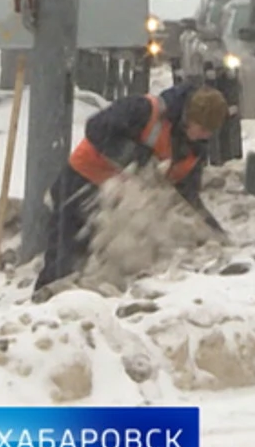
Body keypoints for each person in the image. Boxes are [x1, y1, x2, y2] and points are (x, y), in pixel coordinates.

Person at [35, 82, 230, 294]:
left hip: (119, 206)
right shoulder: (145, 110)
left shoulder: (193, 150)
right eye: (202, 129)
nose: (205, 136)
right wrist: (135, 158)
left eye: (210, 132)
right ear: (188, 118)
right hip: (81, 183)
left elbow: (187, 194)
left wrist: (212, 229)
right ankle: (46, 305)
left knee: (100, 269)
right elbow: (96, 128)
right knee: (64, 259)